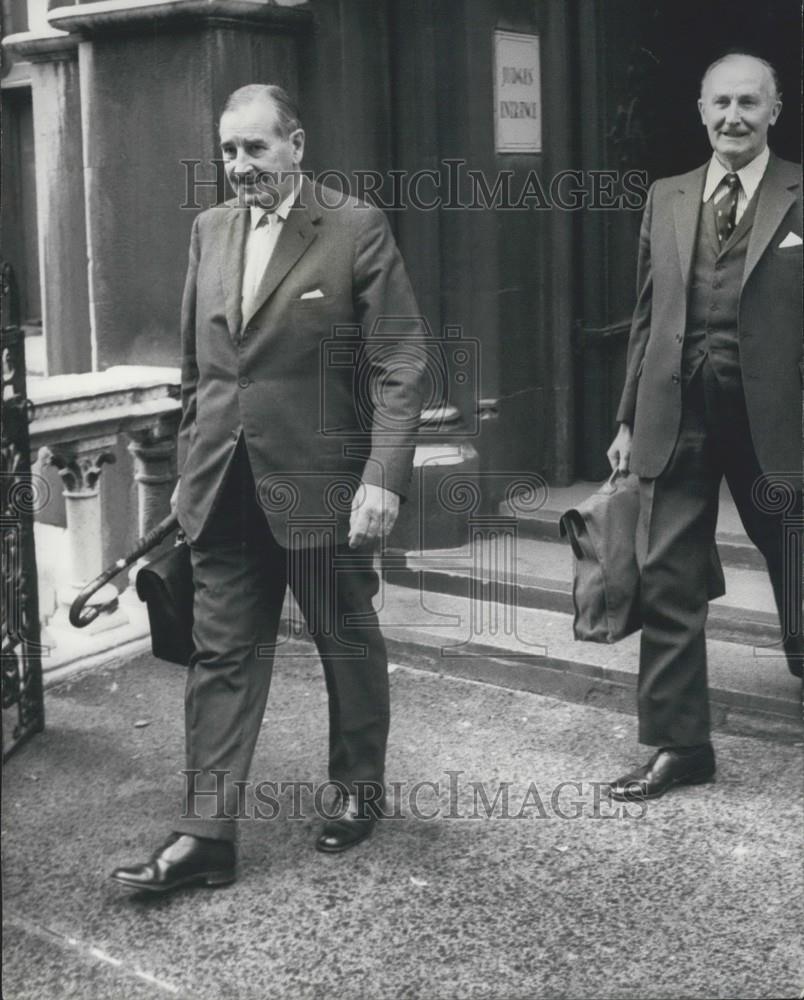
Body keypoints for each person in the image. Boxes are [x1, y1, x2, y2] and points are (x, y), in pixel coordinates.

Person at [112, 84, 425, 891]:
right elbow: (198, 372)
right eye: (228, 151)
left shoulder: (354, 226)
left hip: (324, 488)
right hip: (222, 487)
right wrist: (188, 474)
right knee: (221, 657)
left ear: (295, 144)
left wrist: (382, 477)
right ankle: (204, 836)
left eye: (256, 148)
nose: (241, 166)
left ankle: (357, 788)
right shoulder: (208, 231)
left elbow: (401, 363)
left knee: (345, 639)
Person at [606, 53, 803, 801]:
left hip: (779, 419)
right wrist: (627, 417)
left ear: (774, 110)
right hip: (678, 411)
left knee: (795, 551)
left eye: (749, 103)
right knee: (667, 577)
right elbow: (648, 313)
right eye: (720, 103)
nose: (733, 118)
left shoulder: (799, 192)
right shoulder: (668, 195)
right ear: (700, 109)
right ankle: (680, 745)